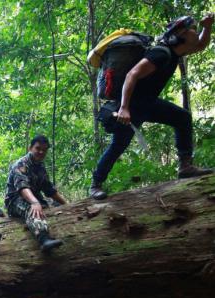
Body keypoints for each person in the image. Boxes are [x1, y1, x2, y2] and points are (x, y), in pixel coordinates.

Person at [90, 14, 214, 200]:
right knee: (118, 145)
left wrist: (208, 26)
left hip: (148, 103)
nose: (194, 32)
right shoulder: (161, 53)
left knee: (182, 117)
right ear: (179, 36)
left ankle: (185, 166)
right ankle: (95, 185)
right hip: (133, 105)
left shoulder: (175, 52)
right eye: (191, 29)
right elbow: (132, 74)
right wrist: (124, 108)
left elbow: (200, 46)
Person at [6, 135, 66, 253]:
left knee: (53, 205)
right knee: (33, 209)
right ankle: (44, 239)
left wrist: (66, 204)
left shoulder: (40, 166)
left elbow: (49, 190)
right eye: (38, 148)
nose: (41, 152)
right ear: (30, 148)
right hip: (15, 200)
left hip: (34, 197)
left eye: (44, 150)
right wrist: (34, 202)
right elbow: (22, 188)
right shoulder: (21, 164)